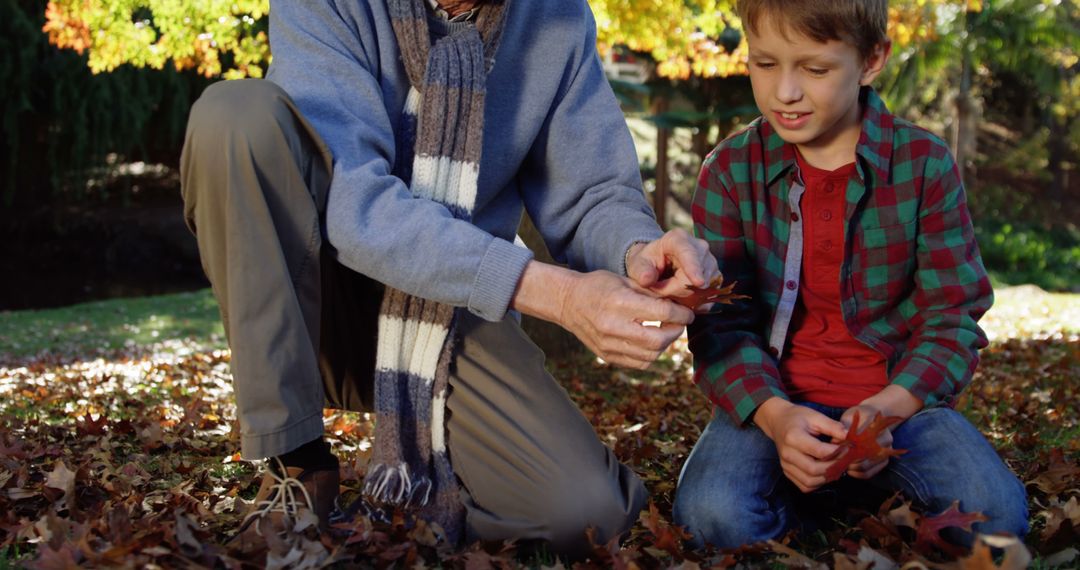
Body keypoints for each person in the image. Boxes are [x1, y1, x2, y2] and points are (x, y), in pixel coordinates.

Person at [180, 0, 719, 559]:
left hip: (449, 305)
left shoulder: (556, 17)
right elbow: (354, 202)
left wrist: (636, 252)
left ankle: (431, 484)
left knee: (585, 514)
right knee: (235, 116)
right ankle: (296, 462)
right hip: (318, 296)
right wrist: (554, 294)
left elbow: (592, 194)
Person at [672, 0, 1029, 550]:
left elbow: (952, 318)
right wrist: (776, 417)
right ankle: (820, 497)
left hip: (899, 405)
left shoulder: (924, 165)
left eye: (815, 69)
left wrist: (887, 410)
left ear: (871, 60)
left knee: (997, 518)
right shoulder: (728, 171)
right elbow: (721, 324)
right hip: (776, 404)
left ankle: (854, 491)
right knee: (713, 518)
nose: (784, 92)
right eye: (764, 64)